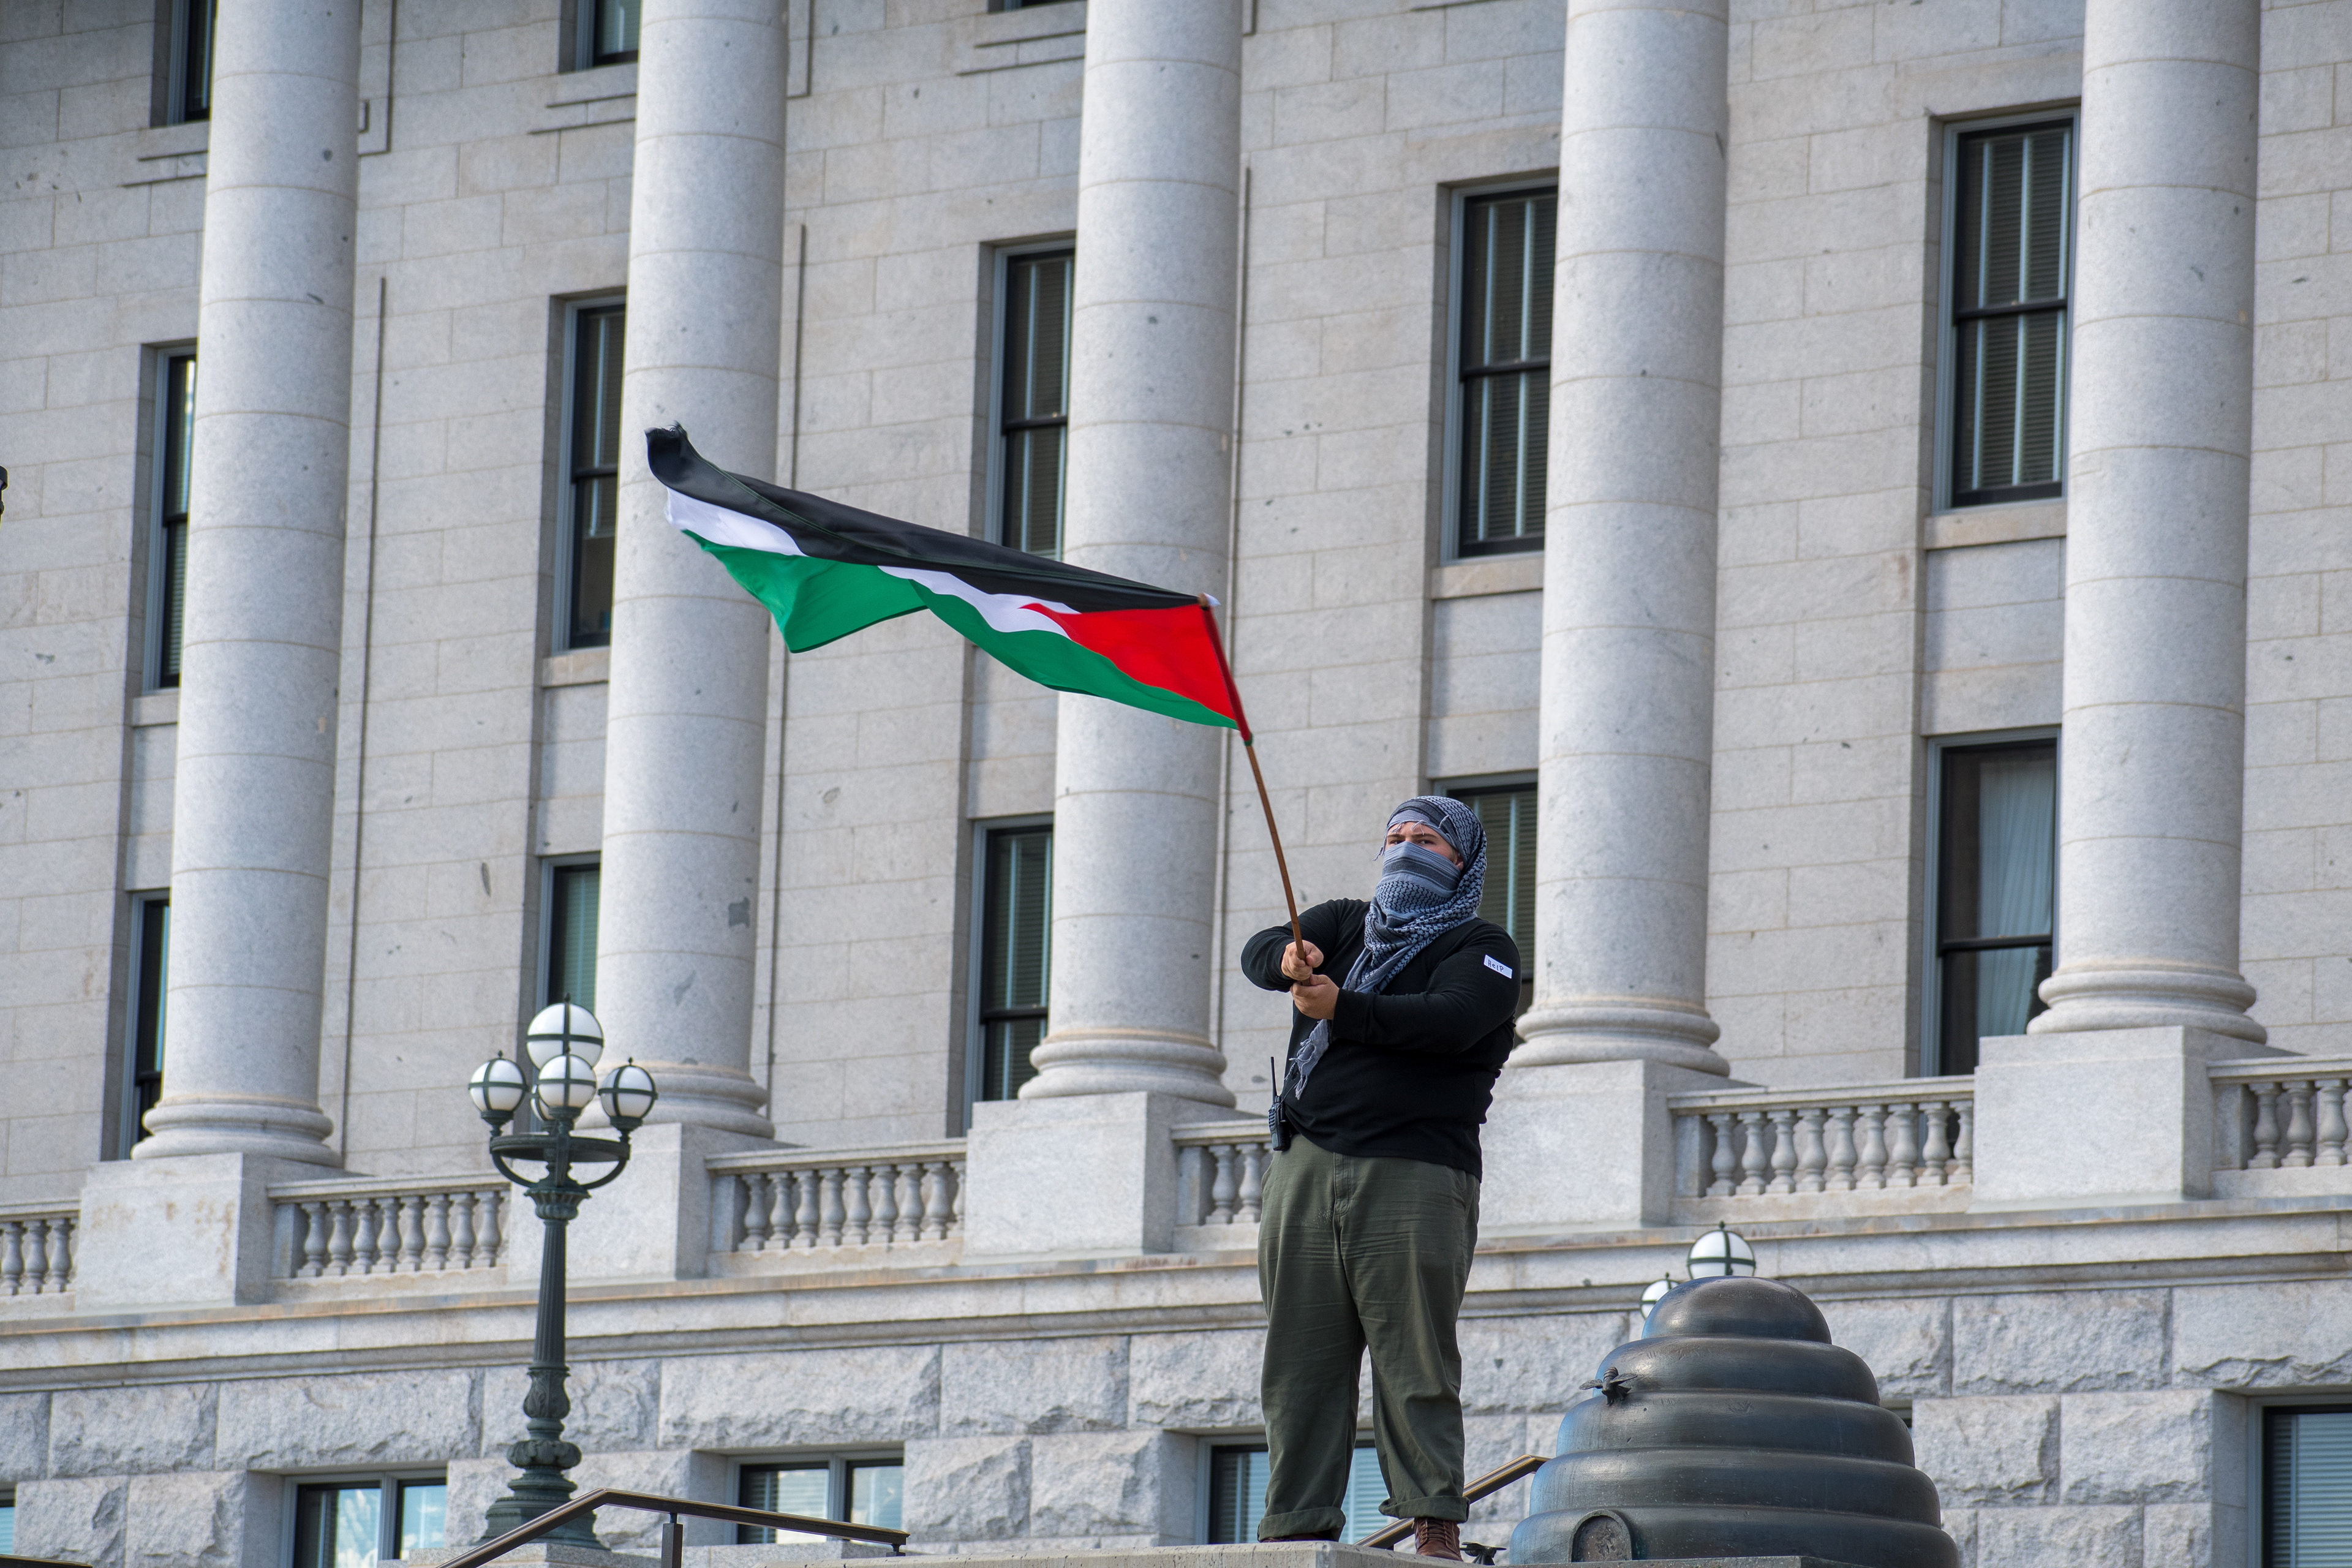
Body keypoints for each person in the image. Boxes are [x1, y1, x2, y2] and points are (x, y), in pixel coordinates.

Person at [1240, 795, 1523, 1561]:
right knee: (1298, 1359)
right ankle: (1295, 1523)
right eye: (1394, 836)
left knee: (1414, 1356)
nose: (1404, 847)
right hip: (1304, 1168)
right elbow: (1262, 945)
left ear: (1461, 860)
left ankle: (1432, 1518)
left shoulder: (1483, 944)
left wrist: (1346, 1009)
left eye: (1426, 838)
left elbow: (1454, 1018)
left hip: (1415, 1174)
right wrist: (1284, 959)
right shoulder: (1343, 922)